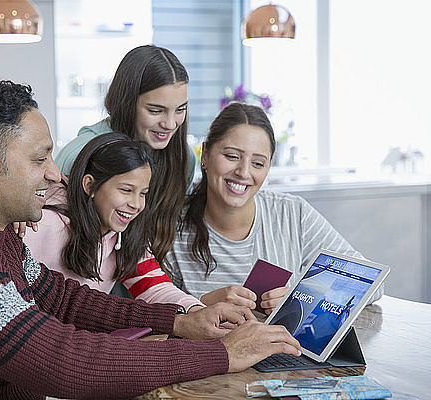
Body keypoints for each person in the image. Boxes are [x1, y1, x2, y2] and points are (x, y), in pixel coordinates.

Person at [0, 80, 301, 400]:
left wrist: (179, 322)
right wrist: (222, 355)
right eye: (39, 158)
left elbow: (61, 297)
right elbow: (64, 364)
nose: (53, 172)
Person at [167, 102, 383, 315]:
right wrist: (197, 308)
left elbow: (370, 284)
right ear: (205, 155)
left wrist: (301, 298)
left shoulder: (292, 214)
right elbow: (150, 315)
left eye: (258, 163)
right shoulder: (171, 227)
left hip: (281, 348)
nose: (243, 172)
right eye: (232, 156)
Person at [25, 133, 202, 312]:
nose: (136, 204)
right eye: (126, 190)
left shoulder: (125, 234)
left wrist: (195, 310)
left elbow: (154, 287)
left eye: (143, 193)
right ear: (89, 185)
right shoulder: (41, 224)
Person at [55, 44, 195, 270]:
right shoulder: (80, 153)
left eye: (180, 109)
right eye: (156, 110)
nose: (170, 124)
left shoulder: (183, 157)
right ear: (127, 102)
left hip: (147, 287)